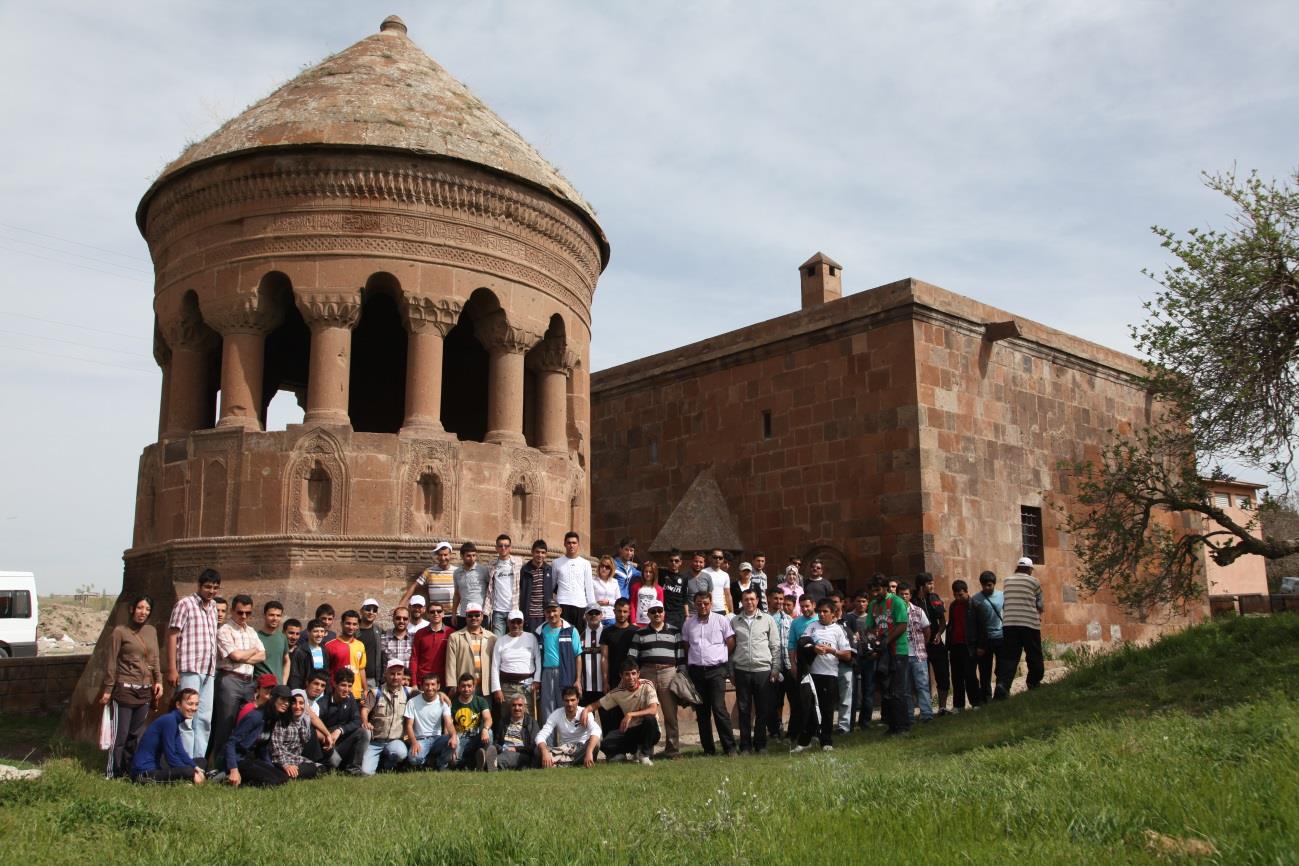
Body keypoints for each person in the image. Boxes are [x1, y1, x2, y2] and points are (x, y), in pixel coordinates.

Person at [101, 594, 163, 779]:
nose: (143, 612)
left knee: (135, 735)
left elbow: (155, 658)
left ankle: (129, 770)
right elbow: (111, 662)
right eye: (140, 608)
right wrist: (108, 689)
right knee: (120, 735)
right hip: (125, 688)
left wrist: (158, 680)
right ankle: (113, 772)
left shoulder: (151, 631)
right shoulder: (120, 632)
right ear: (132, 609)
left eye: (147, 609)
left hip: (144, 689)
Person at [165, 568, 220, 761]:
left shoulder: (213, 607)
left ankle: (198, 761)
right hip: (189, 666)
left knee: (204, 718)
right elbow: (172, 635)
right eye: (207, 587)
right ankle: (185, 760)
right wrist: (172, 667)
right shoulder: (185, 604)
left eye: (214, 588)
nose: (211, 591)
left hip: (208, 668)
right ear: (199, 585)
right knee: (187, 716)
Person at [209, 594, 266, 770]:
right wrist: (250, 652)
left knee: (246, 722)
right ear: (233, 611)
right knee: (225, 723)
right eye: (240, 612)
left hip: (248, 681)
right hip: (229, 679)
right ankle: (216, 765)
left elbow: (262, 655)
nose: (243, 617)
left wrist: (242, 656)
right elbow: (234, 656)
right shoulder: (225, 630)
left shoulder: (251, 631)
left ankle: (238, 763)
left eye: (247, 613)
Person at [792, 599, 853, 752]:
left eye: (825, 611)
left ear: (833, 614)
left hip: (829, 674)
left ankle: (826, 741)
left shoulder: (838, 630)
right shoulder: (812, 627)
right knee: (808, 707)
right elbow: (802, 644)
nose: (821, 614)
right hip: (811, 675)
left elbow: (847, 655)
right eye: (819, 611)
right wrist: (813, 649)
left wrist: (831, 651)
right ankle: (805, 741)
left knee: (826, 709)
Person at [682, 590, 737, 756]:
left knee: (719, 708)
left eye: (706, 603)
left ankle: (730, 747)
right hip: (697, 671)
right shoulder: (688, 623)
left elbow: (730, 642)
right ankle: (708, 749)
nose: (703, 606)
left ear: (711, 603)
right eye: (699, 604)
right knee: (702, 711)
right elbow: (686, 646)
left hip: (716, 670)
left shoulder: (721, 620)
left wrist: (718, 656)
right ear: (694, 604)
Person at [628, 601, 684, 758]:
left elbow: (680, 656)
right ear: (648, 614)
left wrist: (681, 674)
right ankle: (647, 751)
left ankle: (672, 750)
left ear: (664, 613)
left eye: (659, 610)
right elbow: (632, 657)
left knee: (670, 714)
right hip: (647, 673)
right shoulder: (640, 633)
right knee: (647, 715)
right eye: (653, 611)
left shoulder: (675, 632)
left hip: (668, 673)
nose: (657, 614)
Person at [729, 588, 779, 753]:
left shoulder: (767, 620)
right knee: (744, 710)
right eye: (746, 599)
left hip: (763, 670)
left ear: (757, 600)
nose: (749, 602)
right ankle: (745, 745)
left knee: (762, 709)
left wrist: (775, 668)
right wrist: (731, 671)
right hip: (741, 670)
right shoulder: (735, 621)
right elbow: (729, 648)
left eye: (752, 599)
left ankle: (761, 744)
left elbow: (775, 646)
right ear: (741, 601)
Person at [587, 660, 660, 764]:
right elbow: (597, 704)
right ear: (621, 676)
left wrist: (630, 714)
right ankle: (626, 753)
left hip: (650, 730)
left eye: (633, 673)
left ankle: (644, 754)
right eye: (627, 674)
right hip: (631, 730)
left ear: (638, 674)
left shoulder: (647, 685)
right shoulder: (617, 692)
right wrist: (585, 711)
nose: (631, 677)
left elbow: (653, 710)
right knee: (605, 743)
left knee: (650, 719)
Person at [865, 575, 911, 735]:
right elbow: (869, 627)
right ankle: (893, 725)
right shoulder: (873, 605)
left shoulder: (896, 602)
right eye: (872, 591)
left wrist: (886, 640)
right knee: (886, 689)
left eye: (878, 590)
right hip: (882, 652)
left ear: (885, 588)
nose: (875, 594)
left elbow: (902, 625)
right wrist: (873, 640)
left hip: (897, 650)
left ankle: (902, 725)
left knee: (897, 688)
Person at [129, 688, 205, 785]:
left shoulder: (175, 721)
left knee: (201, 762)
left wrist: (196, 768)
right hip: (144, 773)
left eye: (196, 704)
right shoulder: (169, 721)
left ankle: (197, 777)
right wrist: (191, 773)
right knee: (188, 771)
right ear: (178, 705)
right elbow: (170, 756)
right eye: (190, 704)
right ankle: (192, 779)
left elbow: (180, 752)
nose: (194, 708)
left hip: (157, 768)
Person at [996, 557, 1046, 698]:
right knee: (1034, 654)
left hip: (1009, 624)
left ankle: (1003, 685)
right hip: (1030, 624)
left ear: (1017, 568)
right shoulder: (1034, 582)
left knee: (1009, 657)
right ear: (1030, 569)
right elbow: (1040, 605)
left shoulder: (1007, 581)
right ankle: (1033, 681)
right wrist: (1038, 613)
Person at [225, 684, 292, 787]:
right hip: (238, 760)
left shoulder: (271, 719)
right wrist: (233, 769)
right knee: (271, 782)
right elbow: (231, 743)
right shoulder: (255, 717)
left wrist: (270, 768)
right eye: (282, 699)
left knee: (283, 779)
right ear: (272, 699)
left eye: (288, 701)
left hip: (251, 759)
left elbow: (263, 748)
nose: (286, 704)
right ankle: (226, 777)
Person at [361, 660, 413, 775]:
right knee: (365, 772)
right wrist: (365, 722)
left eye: (399, 674)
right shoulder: (375, 692)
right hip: (375, 741)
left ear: (402, 675)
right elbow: (365, 709)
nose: (395, 677)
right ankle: (376, 763)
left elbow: (428, 694)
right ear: (385, 674)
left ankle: (387, 767)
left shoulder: (408, 692)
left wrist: (441, 694)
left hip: (395, 741)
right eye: (392, 673)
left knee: (400, 753)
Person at [317, 668, 370, 774]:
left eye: (349, 686)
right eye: (343, 685)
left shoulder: (350, 698)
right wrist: (327, 737)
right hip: (327, 745)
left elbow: (357, 720)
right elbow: (316, 729)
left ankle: (354, 769)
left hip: (343, 741)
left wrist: (340, 730)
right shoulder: (322, 703)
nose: (346, 689)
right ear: (335, 684)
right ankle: (324, 766)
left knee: (364, 732)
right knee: (334, 762)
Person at [490, 610, 541, 719]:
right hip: (506, 687)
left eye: (519, 622)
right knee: (506, 718)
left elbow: (538, 660)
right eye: (513, 622)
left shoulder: (531, 638)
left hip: (527, 686)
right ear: (508, 623)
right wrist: (497, 689)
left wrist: (537, 680)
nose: (516, 625)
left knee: (528, 718)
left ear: (523, 623)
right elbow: (494, 666)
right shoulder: (501, 641)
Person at [535, 686, 601, 768]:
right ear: (563, 701)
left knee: (596, 744)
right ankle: (570, 762)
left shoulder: (585, 713)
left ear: (578, 700)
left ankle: (558, 763)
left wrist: (589, 751)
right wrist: (544, 752)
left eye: (572, 700)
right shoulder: (557, 714)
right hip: (565, 750)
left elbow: (596, 730)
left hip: (582, 749)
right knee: (538, 750)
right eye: (567, 700)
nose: (570, 704)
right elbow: (541, 735)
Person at [536, 602, 581, 718]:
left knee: (566, 707)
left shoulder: (571, 630)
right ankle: (549, 737)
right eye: (548, 611)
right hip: (546, 673)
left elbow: (578, 656)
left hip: (566, 673)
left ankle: (567, 736)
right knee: (547, 708)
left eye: (554, 611)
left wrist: (578, 680)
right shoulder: (540, 631)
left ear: (560, 611)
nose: (551, 614)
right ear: (544, 613)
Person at [404, 672, 455, 770]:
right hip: (420, 739)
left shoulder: (443, 702)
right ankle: (428, 761)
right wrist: (414, 742)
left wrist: (453, 736)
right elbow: (409, 725)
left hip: (437, 738)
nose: (430, 688)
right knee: (413, 759)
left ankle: (441, 763)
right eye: (427, 685)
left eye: (433, 684)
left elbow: (448, 722)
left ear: (438, 686)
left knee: (454, 739)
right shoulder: (412, 702)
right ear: (422, 686)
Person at [915, 573, 950, 714]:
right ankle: (925, 708)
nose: (932, 586)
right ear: (921, 585)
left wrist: (938, 633)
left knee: (942, 673)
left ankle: (942, 706)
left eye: (932, 583)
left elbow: (942, 620)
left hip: (935, 642)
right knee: (921, 677)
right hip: (919, 644)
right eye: (929, 583)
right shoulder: (913, 601)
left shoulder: (934, 598)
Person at [784, 594, 818, 744]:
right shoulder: (796, 623)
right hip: (803, 667)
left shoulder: (820, 620)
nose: (805, 609)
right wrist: (793, 664)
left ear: (814, 605)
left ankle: (818, 731)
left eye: (807, 606)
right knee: (803, 701)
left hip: (820, 666)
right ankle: (802, 732)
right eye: (802, 606)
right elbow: (791, 645)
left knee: (818, 701)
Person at [445, 603, 496, 697]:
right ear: (466, 617)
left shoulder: (492, 637)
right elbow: (450, 663)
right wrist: (452, 685)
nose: (473, 618)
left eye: (477, 615)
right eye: (470, 615)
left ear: (482, 616)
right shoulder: (455, 637)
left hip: (486, 687)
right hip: (465, 687)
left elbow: (495, 664)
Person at [899, 585, 933, 723]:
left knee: (922, 685)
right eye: (901, 594)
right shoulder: (895, 613)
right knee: (906, 688)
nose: (903, 597)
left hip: (918, 654)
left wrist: (923, 644)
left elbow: (927, 629)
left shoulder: (918, 611)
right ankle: (909, 715)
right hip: (903, 655)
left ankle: (926, 714)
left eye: (906, 594)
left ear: (910, 596)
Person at [270, 690, 321, 782]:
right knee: (312, 769)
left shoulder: (304, 721)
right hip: (280, 760)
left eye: (301, 703)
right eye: (294, 703)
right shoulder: (281, 721)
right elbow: (276, 749)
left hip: (295, 759)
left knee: (317, 768)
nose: (298, 707)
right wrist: (286, 765)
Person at [945, 580, 980, 712]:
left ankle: (975, 701)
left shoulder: (975, 605)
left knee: (970, 675)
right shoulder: (953, 606)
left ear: (966, 592)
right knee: (956, 676)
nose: (958, 598)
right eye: (955, 595)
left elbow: (980, 627)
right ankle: (959, 705)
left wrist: (980, 645)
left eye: (960, 595)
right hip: (955, 645)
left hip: (969, 645)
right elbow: (952, 625)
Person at [970, 571, 1004, 703]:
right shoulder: (976, 599)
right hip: (984, 639)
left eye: (989, 585)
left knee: (1001, 667)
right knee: (984, 670)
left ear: (994, 584)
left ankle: (1000, 693)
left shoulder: (1002, 596)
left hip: (1000, 636)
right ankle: (986, 696)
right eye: (984, 585)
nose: (987, 588)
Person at [449, 673, 496, 770]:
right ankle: (474, 762)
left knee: (489, 733)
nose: (466, 689)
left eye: (469, 686)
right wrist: (451, 739)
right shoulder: (453, 703)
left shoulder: (480, 701)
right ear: (458, 687)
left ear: (474, 687)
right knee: (453, 761)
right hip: (460, 738)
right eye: (463, 686)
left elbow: (488, 718)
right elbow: (448, 724)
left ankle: (485, 758)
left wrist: (485, 729)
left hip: (476, 737)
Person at [402, 540, 455, 624]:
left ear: (450, 555)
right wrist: (402, 604)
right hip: (435, 615)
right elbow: (415, 586)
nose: (443, 558)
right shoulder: (429, 571)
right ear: (437, 556)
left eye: (445, 555)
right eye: (440, 555)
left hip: (453, 615)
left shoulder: (457, 571)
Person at [765, 589, 793, 741]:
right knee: (773, 700)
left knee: (789, 698)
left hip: (787, 664)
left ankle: (790, 730)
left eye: (781, 598)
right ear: (768, 599)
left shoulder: (788, 619)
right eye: (775, 598)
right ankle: (774, 730)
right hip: (770, 665)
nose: (779, 602)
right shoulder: (763, 618)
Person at [553, 531, 596, 626]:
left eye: (574, 543)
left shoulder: (585, 563)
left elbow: (589, 588)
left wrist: (591, 609)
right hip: (563, 604)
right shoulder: (556, 563)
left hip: (580, 605)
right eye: (569, 543)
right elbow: (552, 585)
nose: (571, 545)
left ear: (578, 545)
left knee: (579, 637)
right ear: (564, 544)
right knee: (563, 636)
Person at [408, 601, 451, 692]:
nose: (436, 614)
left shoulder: (451, 633)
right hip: (423, 682)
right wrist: (414, 683)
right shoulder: (420, 633)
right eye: (432, 612)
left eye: (439, 611)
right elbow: (414, 659)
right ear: (427, 615)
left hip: (443, 682)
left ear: (443, 614)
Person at [324, 610, 368, 700]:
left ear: (358, 626)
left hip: (356, 694)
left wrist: (365, 689)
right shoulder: (329, 645)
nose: (351, 627)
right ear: (341, 624)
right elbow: (325, 671)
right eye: (348, 623)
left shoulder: (360, 645)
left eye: (354, 624)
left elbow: (361, 669)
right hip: (336, 694)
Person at [600, 598, 637, 697]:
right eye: (619, 611)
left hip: (632, 679)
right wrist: (605, 681)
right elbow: (604, 658)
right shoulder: (606, 632)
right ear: (614, 611)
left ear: (629, 612)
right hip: (613, 679)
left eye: (625, 611)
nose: (622, 614)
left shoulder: (636, 631)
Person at [493, 693, 540, 770]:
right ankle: (492, 763)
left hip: (521, 753)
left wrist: (516, 749)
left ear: (524, 707)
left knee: (507, 757)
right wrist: (500, 748)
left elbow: (533, 746)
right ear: (510, 707)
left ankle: (491, 763)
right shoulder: (503, 721)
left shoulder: (531, 723)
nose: (517, 708)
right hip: (503, 751)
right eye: (514, 705)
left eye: (520, 705)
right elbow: (496, 741)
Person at [452, 542, 491, 629]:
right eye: (468, 556)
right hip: (464, 614)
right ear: (462, 556)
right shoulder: (457, 573)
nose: (472, 558)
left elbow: (491, 590)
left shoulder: (483, 570)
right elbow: (457, 594)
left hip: (480, 614)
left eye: (474, 555)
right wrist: (454, 613)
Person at [518, 539, 555, 633]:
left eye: (543, 553)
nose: (540, 555)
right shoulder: (525, 570)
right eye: (537, 552)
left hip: (545, 615)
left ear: (546, 554)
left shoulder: (549, 570)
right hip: (529, 615)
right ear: (532, 552)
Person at [487, 534, 520, 636]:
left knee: (514, 640)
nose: (503, 548)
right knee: (498, 640)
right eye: (500, 546)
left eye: (506, 545)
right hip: (498, 610)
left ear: (510, 547)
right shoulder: (492, 565)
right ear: (496, 548)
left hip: (513, 609)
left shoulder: (518, 563)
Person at [253, 600, 290, 684]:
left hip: (278, 688)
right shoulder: (254, 637)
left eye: (278, 615)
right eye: (271, 615)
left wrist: (283, 683)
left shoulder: (282, 637)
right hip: (261, 688)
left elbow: (287, 660)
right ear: (264, 615)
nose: (275, 618)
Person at [288, 618, 329, 690]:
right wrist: (298, 693)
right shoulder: (300, 651)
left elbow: (326, 673)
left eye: (322, 631)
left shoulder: (324, 650)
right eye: (316, 631)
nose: (319, 634)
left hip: (321, 693)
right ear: (308, 632)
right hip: (304, 692)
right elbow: (295, 676)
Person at [579, 606, 605, 705]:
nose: (593, 616)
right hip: (586, 687)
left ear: (601, 616)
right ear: (585, 616)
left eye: (597, 613)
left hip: (604, 686)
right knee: (586, 719)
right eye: (590, 613)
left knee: (607, 720)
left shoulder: (607, 633)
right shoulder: (579, 635)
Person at [357, 598, 384, 694]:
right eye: (368, 609)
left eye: (374, 610)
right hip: (355, 678)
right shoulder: (353, 629)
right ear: (361, 611)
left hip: (372, 680)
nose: (371, 612)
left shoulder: (379, 631)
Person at [659, 549, 688, 629]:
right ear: (668, 561)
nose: (673, 563)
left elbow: (685, 598)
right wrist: (630, 563)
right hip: (665, 613)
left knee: (679, 638)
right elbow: (647, 567)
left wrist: (687, 615)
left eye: (676, 561)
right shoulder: (661, 573)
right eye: (671, 560)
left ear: (680, 562)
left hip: (679, 614)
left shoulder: (684, 577)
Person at [629, 560, 664, 625]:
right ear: (643, 572)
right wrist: (633, 621)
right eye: (646, 571)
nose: (648, 574)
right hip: (638, 622)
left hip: (652, 623)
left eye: (650, 572)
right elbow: (632, 604)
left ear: (654, 574)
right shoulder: (635, 587)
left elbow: (660, 608)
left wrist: (660, 622)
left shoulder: (659, 589)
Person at [381, 606, 413, 675]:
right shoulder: (383, 639)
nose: (401, 621)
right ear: (393, 619)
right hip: (388, 682)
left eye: (405, 618)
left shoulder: (414, 639)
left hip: (407, 682)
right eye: (398, 618)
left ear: (409, 620)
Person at [591, 556, 620, 626]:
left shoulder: (615, 582)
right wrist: (596, 603)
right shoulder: (592, 581)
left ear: (611, 569)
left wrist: (608, 602)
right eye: (602, 566)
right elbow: (588, 599)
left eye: (607, 567)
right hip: (596, 616)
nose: (604, 569)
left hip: (611, 617)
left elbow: (619, 601)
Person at [702, 549, 731, 614]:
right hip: (707, 610)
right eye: (715, 557)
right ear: (710, 558)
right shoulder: (703, 572)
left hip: (722, 609)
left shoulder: (725, 575)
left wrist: (731, 612)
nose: (717, 559)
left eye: (720, 558)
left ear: (723, 559)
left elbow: (728, 595)